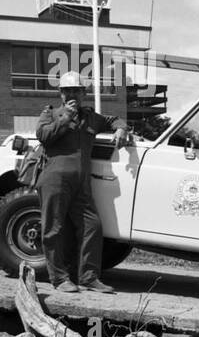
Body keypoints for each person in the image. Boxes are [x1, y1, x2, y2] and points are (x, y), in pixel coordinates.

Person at [35, 69, 129, 294]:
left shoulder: (90, 117)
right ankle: (59, 278)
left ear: (83, 93)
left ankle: (88, 277)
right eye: (67, 91)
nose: (71, 95)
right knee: (53, 229)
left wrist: (121, 129)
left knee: (92, 226)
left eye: (76, 90)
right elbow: (43, 135)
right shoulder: (50, 114)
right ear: (60, 94)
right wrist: (66, 117)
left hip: (81, 183)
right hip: (54, 179)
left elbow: (113, 119)